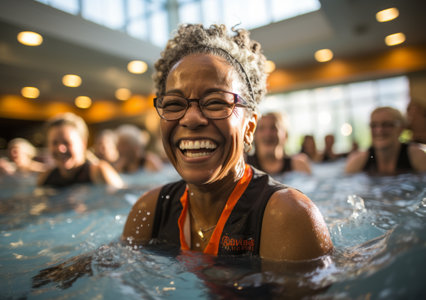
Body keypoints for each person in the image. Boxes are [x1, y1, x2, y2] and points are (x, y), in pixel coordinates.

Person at [121, 24, 332, 261]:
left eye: (215, 102)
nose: (190, 118)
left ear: (249, 127)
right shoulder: (149, 211)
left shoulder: (288, 216)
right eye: (174, 104)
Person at [37, 112, 124, 188]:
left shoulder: (99, 172)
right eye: (54, 143)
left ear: (83, 144)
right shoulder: (46, 177)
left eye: (66, 142)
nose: (60, 149)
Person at [345, 106, 426, 175]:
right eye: (374, 125)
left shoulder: (416, 156)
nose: (379, 130)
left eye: (387, 124)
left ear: (401, 128)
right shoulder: (358, 161)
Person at [246, 112, 311, 175]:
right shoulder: (244, 165)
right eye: (261, 128)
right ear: (253, 136)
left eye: (273, 128)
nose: (267, 133)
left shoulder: (298, 166)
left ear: (286, 135)